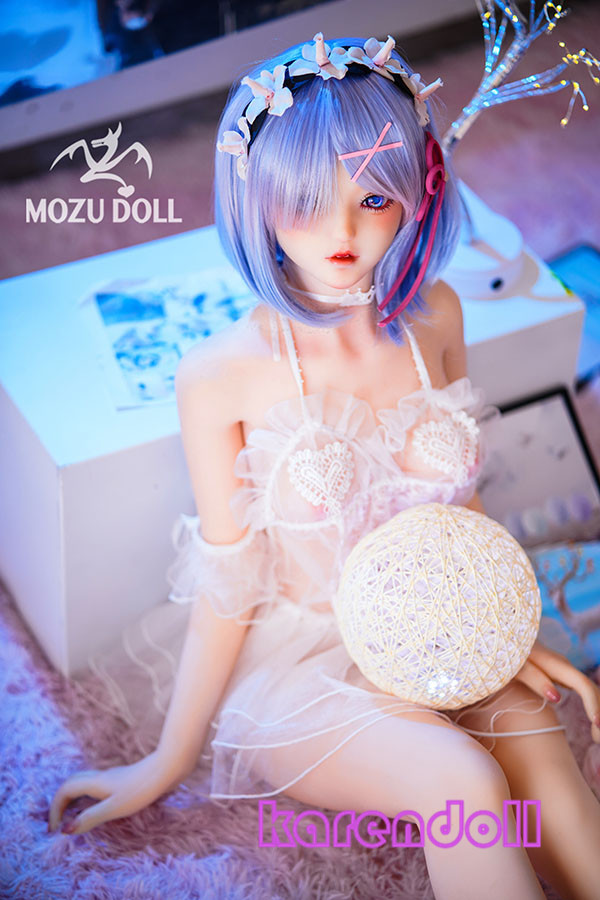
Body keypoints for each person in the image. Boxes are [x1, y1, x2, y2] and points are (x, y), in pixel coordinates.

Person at [48, 33, 600, 900]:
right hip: (306, 662)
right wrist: (168, 759)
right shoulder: (222, 373)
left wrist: (503, 626)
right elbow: (229, 582)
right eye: (305, 201)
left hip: (439, 622)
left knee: (542, 755)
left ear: (418, 189)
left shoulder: (436, 315)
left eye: (374, 197)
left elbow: (462, 509)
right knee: (460, 784)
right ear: (256, 199)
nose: (342, 232)